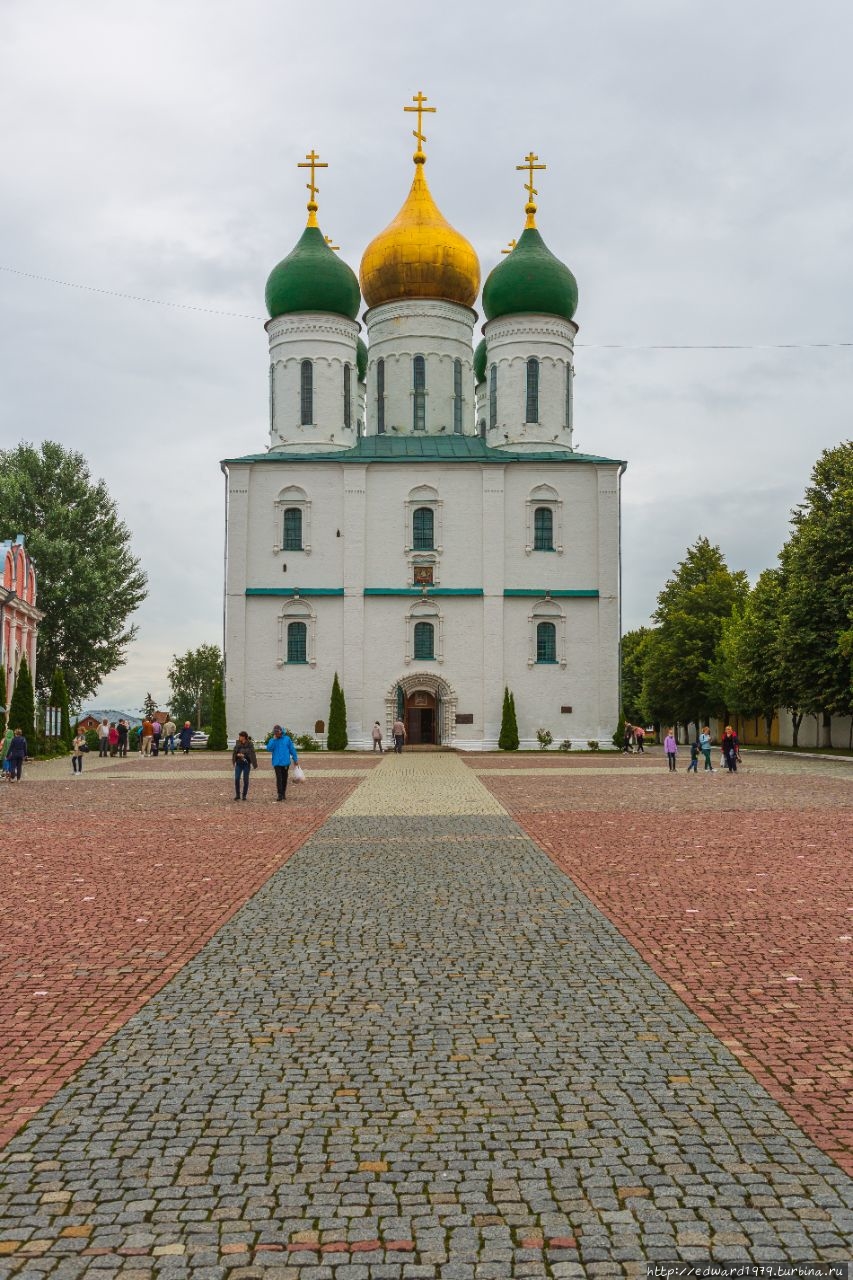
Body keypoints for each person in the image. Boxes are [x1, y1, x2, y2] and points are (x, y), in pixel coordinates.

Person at [265, 724, 298, 801]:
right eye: (275, 733)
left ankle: (283, 793)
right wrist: (273, 740)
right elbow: (269, 749)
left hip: (285, 762)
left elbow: (292, 749)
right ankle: (279, 794)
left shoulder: (287, 739)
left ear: (280, 731)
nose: (276, 734)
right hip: (276, 763)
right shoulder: (272, 740)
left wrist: (295, 759)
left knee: (284, 778)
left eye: (277, 732)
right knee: (279, 778)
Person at [231, 731, 258, 800]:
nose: (239, 737)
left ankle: (244, 795)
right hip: (239, 763)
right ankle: (237, 795)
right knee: (237, 779)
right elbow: (234, 752)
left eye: (240, 736)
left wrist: (244, 755)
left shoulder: (250, 744)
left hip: (246, 764)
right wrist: (237, 755)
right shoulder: (237, 743)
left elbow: (252, 753)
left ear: (244, 737)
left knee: (245, 780)